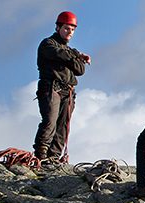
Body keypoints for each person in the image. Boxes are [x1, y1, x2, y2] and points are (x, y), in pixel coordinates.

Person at [33, 10, 89, 165]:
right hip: (51, 87)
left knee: (63, 126)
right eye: (66, 28)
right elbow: (59, 54)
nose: (69, 32)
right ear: (58, 27)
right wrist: (75, 56)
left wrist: (74, 57)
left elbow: (80, 70)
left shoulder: (70, 50)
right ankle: (41, 155)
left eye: (72, 29)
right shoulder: (48, 44)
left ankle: (53, 157)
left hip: (68, 91)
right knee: (50, 121)